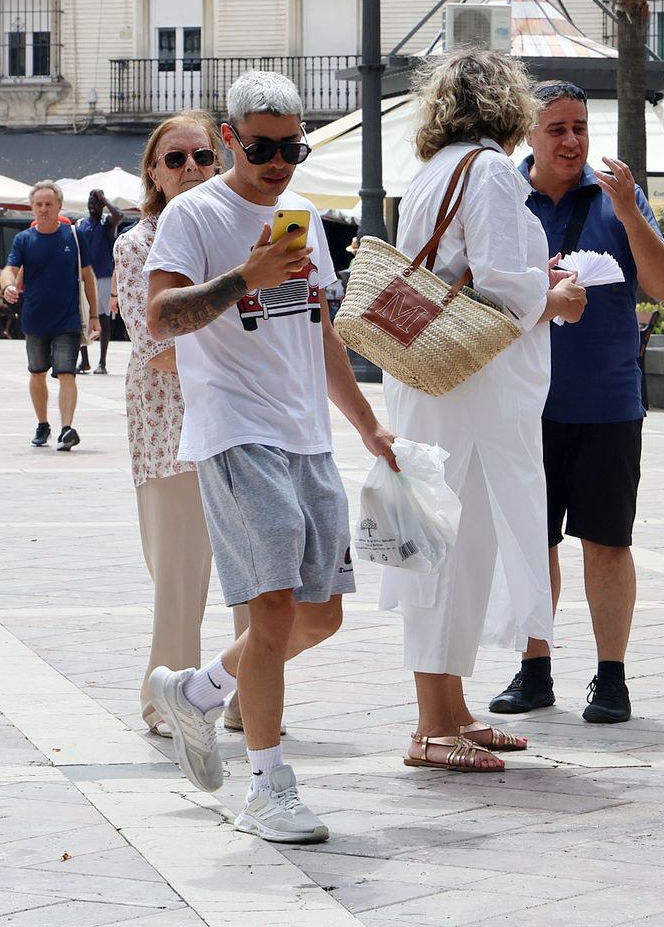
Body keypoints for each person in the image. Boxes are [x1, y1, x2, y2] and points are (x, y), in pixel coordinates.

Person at [144, 70, 396, 844]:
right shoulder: (194, 214)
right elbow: (159, 317)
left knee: (319, 615)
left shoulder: (302, 215)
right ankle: (267, 786)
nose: (280, 160)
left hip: (305, 433)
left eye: (293, 146)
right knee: (275, 605)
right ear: (230, 139)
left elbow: (318, 325)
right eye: (262, 146)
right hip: (233, 429)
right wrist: (242, 277)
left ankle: (198, 690)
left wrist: (363, 421)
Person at [381, 51, 587, 774]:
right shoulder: (492, 170)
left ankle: (451, 708)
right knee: (452, 543)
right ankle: (432, 726)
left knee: (445, 540)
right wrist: (554, 297)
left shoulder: (434, 170)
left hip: (432, 373)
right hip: (470, 384)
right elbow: (500, 285)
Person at [489, 80, 664, 725]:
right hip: (525, 402)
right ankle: (534, 667)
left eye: (579, 127)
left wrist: (629, 213)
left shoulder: (618, 198)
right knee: (532, 543)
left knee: (606, 543)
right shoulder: (504, 196)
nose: (572, 141)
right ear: (531, 135)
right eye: (557, 129)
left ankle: (612, 676)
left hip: (608, 400)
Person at [117, 109, 260, 737]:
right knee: (179, 572)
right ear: (153, 172)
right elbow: (160, 346)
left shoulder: (235, 236)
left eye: (201, 156)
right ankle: (163, 697)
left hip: (242, 419)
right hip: (169, 428)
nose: (191, 169)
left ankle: (248, 695)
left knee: (253, 572)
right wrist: (238, 347)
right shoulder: (138, 246)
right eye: (175, 160)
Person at [3, 180, 100, 451]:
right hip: (34, 318)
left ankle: (67, 428)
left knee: (67, 373)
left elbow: (87, 276)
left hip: (67, 320)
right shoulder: (24, 239)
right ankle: (43, 424)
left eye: (49, 204)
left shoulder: (74, 237)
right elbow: (9, 270)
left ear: (59, 206)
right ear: (32, 208)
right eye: (38, 205)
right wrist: (8, 286)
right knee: (37, 373)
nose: (43, 209)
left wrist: (94, 315)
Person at [78, 188, 126, 374]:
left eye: (96, 205)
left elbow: (119, 215)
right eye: (90, 204)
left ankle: (102, 362)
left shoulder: (107, 223)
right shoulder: (81, 223)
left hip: (104, 276)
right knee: (82, 317)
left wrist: (104, 200)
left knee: (104, 319)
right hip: (84, 277)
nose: (93, 207)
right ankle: (84, 360)